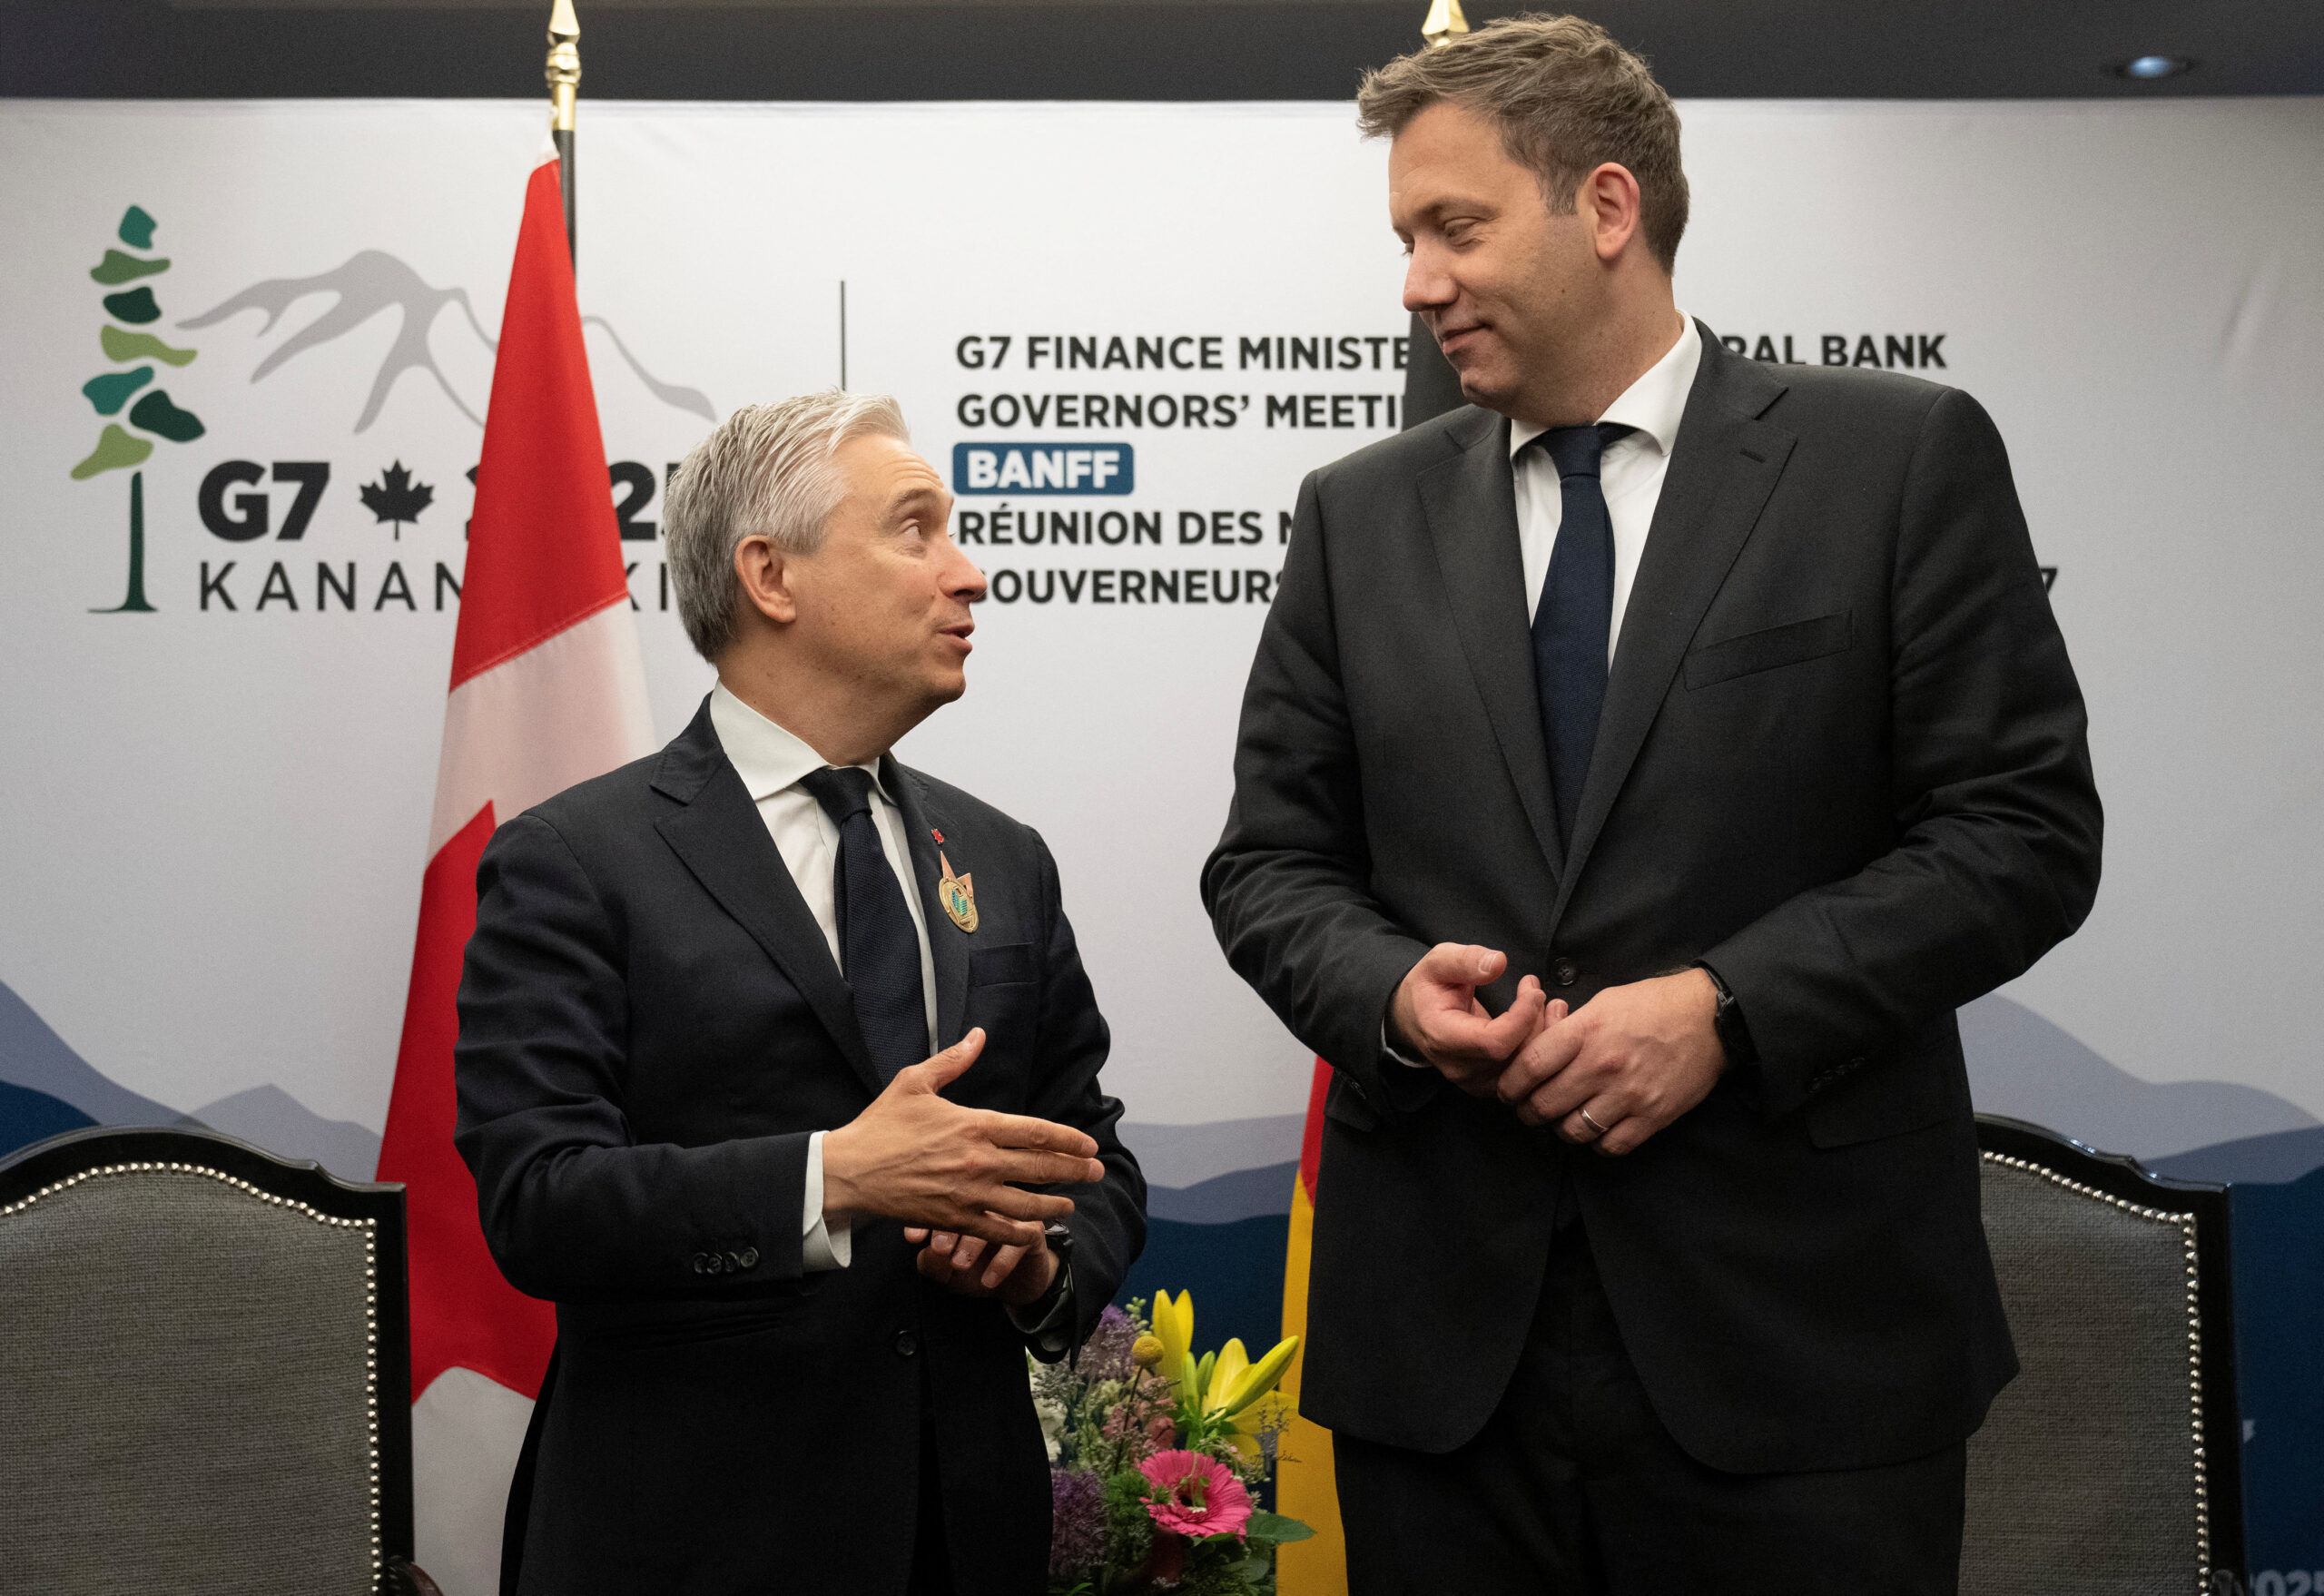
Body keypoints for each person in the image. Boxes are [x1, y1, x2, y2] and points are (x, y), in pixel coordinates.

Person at [1202, 15, 2101, 1593]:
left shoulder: (1892, 461)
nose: (1416, 282)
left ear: (1606, 206)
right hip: (1444, 1365)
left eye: (1455, 227)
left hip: (1800, 1350)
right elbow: (1271, 864)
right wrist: (1396, 996)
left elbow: (2021, 833)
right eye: (1406, 238)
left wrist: (1726, 1006)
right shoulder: (1357, 517)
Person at [455, 391, 1146, 1596]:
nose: (969, 573)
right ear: (771, 575)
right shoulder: (576, 859)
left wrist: (1035, 1262)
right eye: (916, 529)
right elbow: (539, 1198)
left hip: (962, 1540)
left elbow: (1092, 1156)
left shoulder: (1003, 857)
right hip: (691, 1542)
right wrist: (835, 1177)